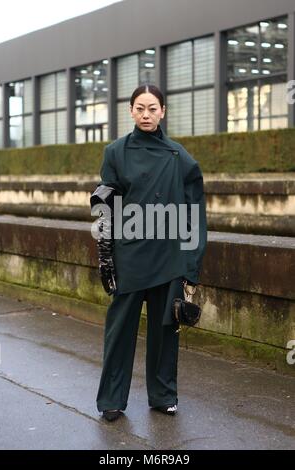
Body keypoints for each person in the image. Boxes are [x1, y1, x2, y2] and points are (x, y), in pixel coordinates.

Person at [90, 84, 207, 422]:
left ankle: (163, 395)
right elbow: (105, 205)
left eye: (152, 108)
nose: (146, 114)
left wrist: (191, 264)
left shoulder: (179, 156)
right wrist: (106, 256)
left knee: (165, 331)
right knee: (119, 331)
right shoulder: (115, 152)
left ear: (162, 112)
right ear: (130, 111)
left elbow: (194, 212)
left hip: (169, 257)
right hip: (129, 256)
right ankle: (112, 399)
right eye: (140, 108)